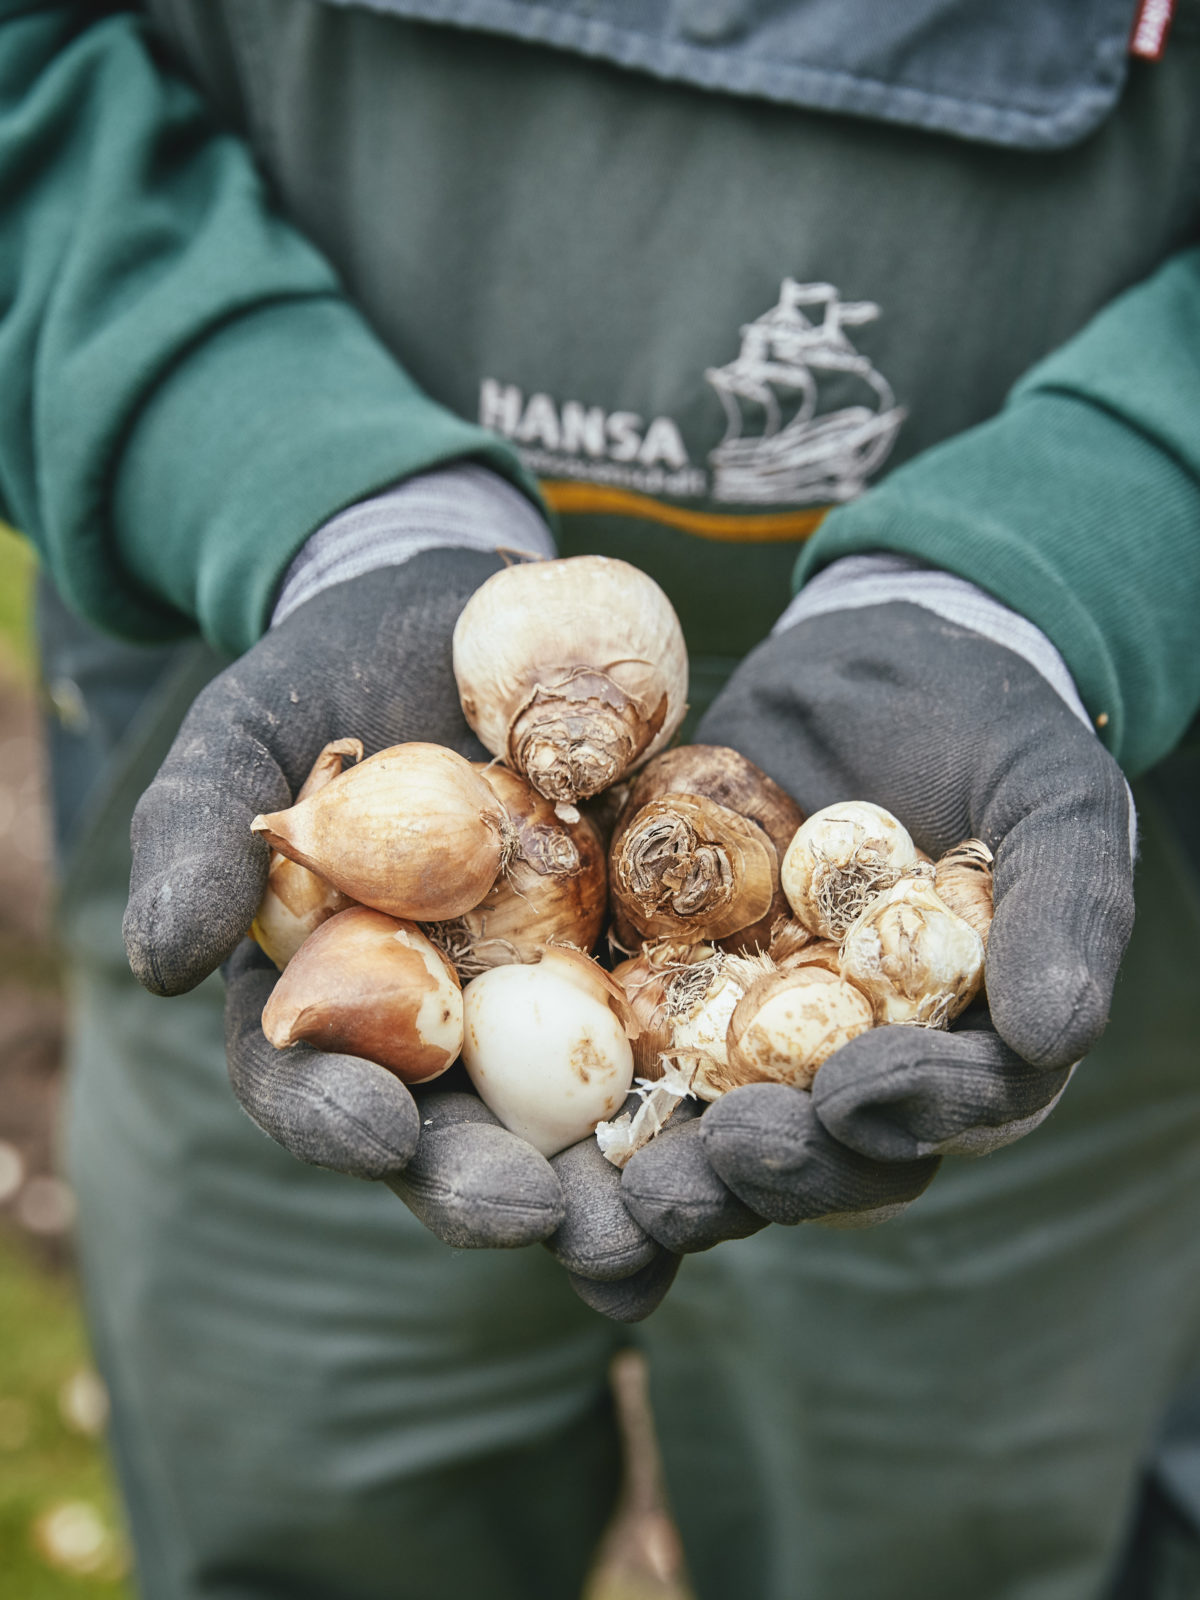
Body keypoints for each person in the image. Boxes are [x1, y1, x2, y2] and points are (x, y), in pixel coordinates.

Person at [4, 1, 1200, 1594]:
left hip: (1081, 754)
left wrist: (1086, 545)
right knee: (314, 1512)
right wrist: (300, 478)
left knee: (942, 1537)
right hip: (274, 655)